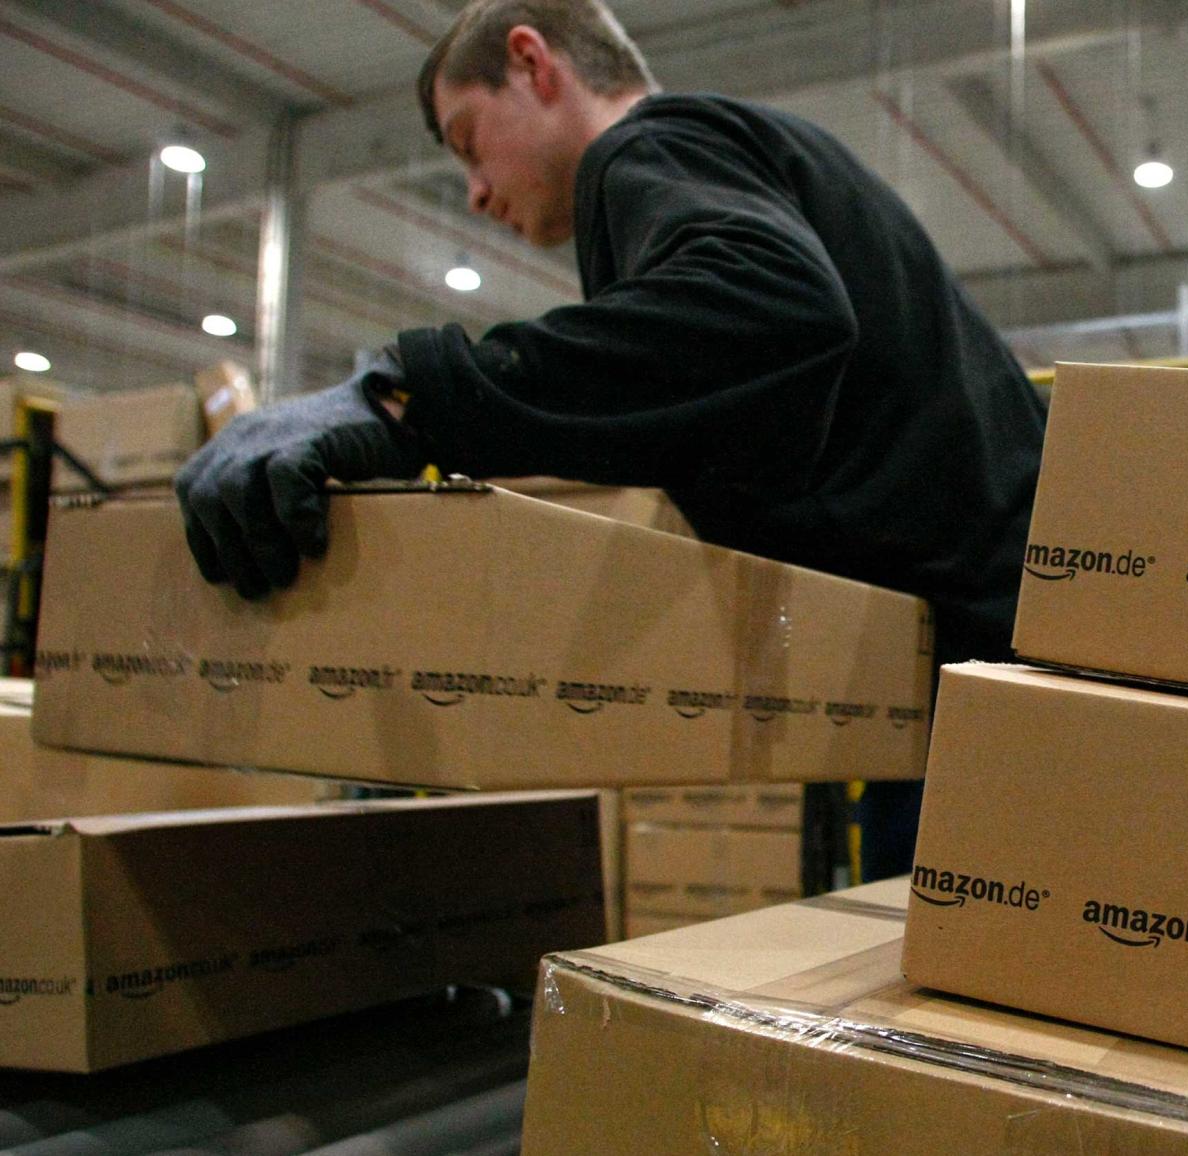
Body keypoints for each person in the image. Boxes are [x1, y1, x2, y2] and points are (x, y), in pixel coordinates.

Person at [171, 0, 1046, 879]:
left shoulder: (651, 147)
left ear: (533, 63)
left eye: (470, 141)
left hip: (994, 684)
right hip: (994, 656)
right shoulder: (728, 162)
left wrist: (406, 400)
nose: (475, 193)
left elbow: (773, 306)